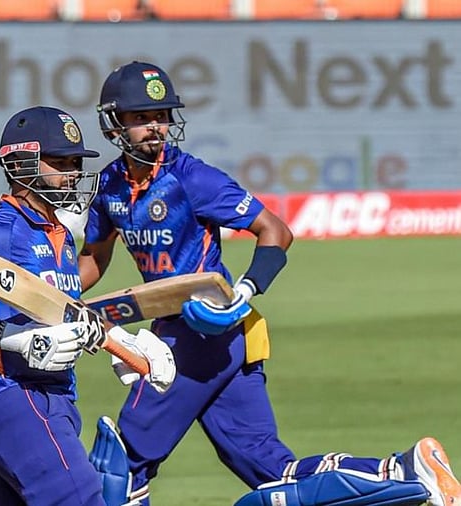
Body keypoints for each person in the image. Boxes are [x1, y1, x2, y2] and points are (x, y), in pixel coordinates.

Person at [79, 61, 461, 506]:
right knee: (272, 472)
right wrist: (56, 292)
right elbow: (94, 258)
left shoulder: (192, 179)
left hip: (205, 331)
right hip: (191, 336)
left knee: (122, 466)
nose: (155, 127)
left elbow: (275, 230)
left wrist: (243, 291)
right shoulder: (109, 187)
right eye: (142, 117)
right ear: (114, 124)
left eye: (162, 116)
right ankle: (404, 470)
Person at [0, 105, 176, 505]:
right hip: (13, 397)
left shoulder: (58, 236)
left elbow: (64, 312)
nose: (72, 173)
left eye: (75, 163)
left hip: (54, 399)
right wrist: (15, 338)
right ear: (21, 165)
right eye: (60, 163)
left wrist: (121, 343)